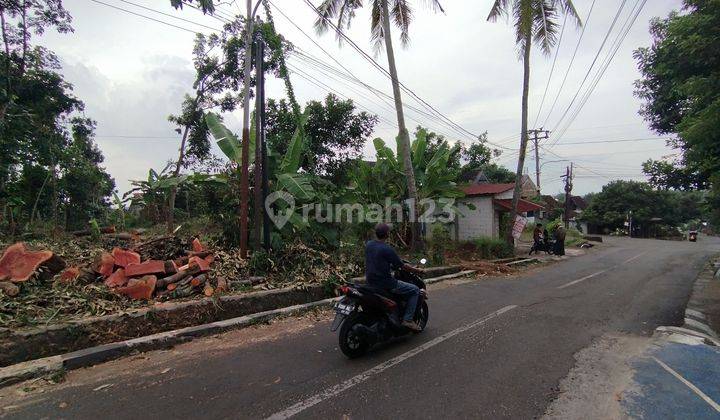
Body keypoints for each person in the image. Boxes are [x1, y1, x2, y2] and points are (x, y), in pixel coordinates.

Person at [365, 223, 424, 331]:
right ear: (387, 234)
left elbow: (378, 260)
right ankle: (408, 320)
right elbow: (402, 266)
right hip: (386, 283)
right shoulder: (387, 249)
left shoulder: (369, 245)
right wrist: (417, 270)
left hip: (370, 281)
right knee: (415, 290)